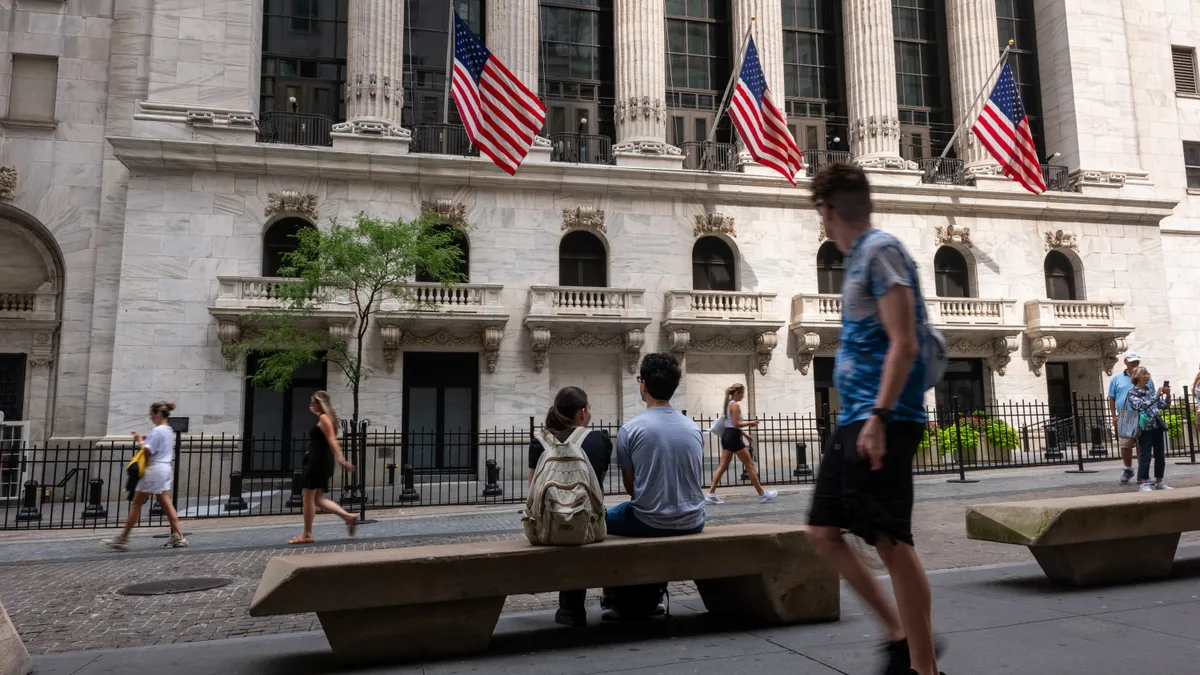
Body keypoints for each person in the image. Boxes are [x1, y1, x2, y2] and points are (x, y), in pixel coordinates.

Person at [805, 164, 942, 675]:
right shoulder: (864, 257)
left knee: (890, 540)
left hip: (883, 417)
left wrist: (879, 417)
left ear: (827, 211)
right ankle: (899, 633)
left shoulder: (881, 251)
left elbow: (904, 342)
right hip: (859, 417)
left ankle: (922, 666)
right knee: (822, 530)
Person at [603, 353, 706, 621]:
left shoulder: (630, 430)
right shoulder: (693, 428)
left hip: (649, 520)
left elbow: (632, 489)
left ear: (643, 385)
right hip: (694, 519)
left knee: (601, 519)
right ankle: (653, 594)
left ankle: (612, 597)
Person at [527, 386, 613, 627]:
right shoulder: (599, 440)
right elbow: (598, 487)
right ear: (583, 413)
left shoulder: (539, 441)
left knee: (563, 523)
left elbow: (532, 490)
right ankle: (581, 605)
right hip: (588, 529)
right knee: (584, 521)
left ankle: (569, 609)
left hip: (546, 529)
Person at [102, 401, 187, 551]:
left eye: (152, 416)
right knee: (167, 504)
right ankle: (178, 536)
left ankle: (123, 539)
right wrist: (147, 439)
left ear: (158, 414)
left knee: (136, 503)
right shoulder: (168, 430)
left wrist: (140, 441)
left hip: (153, 470)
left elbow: (148, 451)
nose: (151, 419)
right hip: (165, 469)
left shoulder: (158, 430)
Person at [288, 391, 359, 544]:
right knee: (317, 499)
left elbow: (332, 440)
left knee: (307, 496)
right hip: (320, 460)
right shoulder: (326, 418)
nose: (310, 405)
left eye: (313, 402)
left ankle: (307, 534)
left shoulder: (324, 418)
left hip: (317, 461)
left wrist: (341, 459)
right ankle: (348, 517)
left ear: (321, 403)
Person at [704, 383, 777, 504]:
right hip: (733, 437)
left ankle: (711, 493)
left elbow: (730, 424)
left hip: (728, 436)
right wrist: (751, 423)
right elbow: (736, 423)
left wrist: (745, 434)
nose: (743, 397)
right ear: (737, 393)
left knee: (722, 466)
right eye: (742, 393)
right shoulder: (735, 405)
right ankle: (762, 494)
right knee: (750, 465)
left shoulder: (728, 404)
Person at [1109, 352, 1153, 485]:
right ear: (1125, 362)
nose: (1135, 364)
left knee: (1142, 444)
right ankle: (1128, 468)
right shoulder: (1116, 378)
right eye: (1132, 361)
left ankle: (1143, 473)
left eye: (1137, 362)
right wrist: (1114, 416)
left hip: (1142, 415)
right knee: (1125, 444)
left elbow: (1152, 396)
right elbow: (1112, 397)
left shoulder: (1146, 378)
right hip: (1125, 416)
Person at [1127, 368, 1173, 491]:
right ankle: (1143, 483)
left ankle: (1159, 481)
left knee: (1160, 456)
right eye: (1143, 374)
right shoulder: (1132, 393)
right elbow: (1140, 406)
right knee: (1145, 455)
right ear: (1136, 377)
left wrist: (1167, 395)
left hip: (1157, 426)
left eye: (1147, 374)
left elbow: (1164, 406)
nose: (1146, 376)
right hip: (1145, 428)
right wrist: (1157, 396)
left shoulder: (1150, 391)